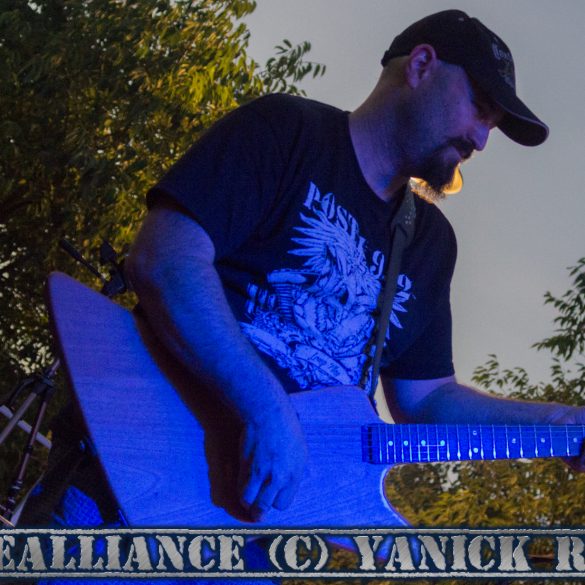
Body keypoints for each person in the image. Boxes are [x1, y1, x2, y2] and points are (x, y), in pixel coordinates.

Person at [18, 8, 585, 584]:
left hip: (254, 543)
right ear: (421, 66)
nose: (481, 139)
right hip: (129, 484)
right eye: (480, 108)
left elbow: (428, 401)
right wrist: (265, 408)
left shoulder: (429, 245)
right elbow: (165, 258)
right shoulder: (284, 132)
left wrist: (562, 422)